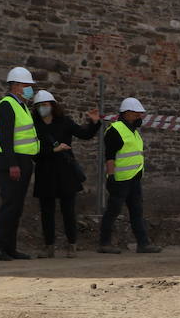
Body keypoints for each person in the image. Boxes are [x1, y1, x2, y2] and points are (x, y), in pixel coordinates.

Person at [31, 90, 100, 258]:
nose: (42, 108)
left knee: (68, 211)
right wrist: (54, 149)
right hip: (45, 171)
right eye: (39, 106)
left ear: (53, 106)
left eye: (45, 105)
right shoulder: (33, 125)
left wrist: (94, 122)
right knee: (46, 212)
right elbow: (32, 151)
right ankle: (49, 246)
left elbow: (85, 134)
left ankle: (72, 245)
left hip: (65, 172)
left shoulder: (65, 122)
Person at [98, 97, 162, 255]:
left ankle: (143, 244)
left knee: (137, 211)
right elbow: (110, 156)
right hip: (120, 180)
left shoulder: (133, 131)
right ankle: (104, 243)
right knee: (113, 211)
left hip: (134, 178)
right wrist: (110, 177)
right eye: (137, 114)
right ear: (127, 113)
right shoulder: (115, 130)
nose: (140, 117)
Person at [0, 66, 41, 261]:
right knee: (10, 205)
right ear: (17, 85)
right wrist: (12, 164)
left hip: (23, 160)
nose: (30, 89)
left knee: (17, 207)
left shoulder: (22, 106)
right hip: (12, 161)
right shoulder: (6, 105)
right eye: (27, 85)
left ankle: (10, 248)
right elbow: (5, 138)